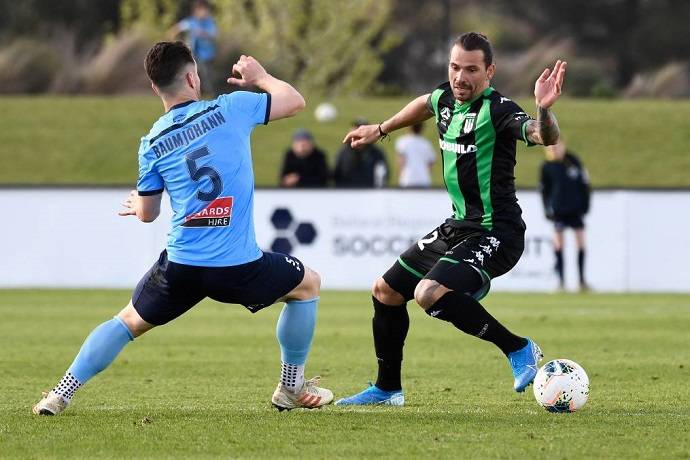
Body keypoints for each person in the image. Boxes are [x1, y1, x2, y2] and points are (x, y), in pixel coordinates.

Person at [32, 41, 333, 416]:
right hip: (236, 267)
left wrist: (137, 204)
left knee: (126, 322)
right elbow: (294, 101)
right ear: (192, 77)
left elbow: (148, 214)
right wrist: (261, 77)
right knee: (308, 285)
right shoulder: (231, 108)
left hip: (182, 267)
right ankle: (290, 386)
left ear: (155, 87)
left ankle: (60, 393)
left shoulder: (152, 143)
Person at [335, 32, 567, 406]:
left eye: (471, 69)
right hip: (458, 226)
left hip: (498, 231)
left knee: (428, 293)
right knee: (386, 291)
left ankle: (518, 348)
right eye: (455, 67)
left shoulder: (500, 110)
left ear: (489, 71)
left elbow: (543, 135)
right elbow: (425, 104)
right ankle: (388, 389)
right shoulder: (445, 98)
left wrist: (543, 107)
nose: (461, 77)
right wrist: (380, 129)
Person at [540, 139, 591, 291]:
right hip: (558, 211)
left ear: (563, 146)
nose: (554, 150)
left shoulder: (573, 161)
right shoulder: (547, 166)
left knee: (581, 244)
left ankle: (582, 281)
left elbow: (584, 185)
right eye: (551, 148)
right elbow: (544, 191)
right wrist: (547, 210)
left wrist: (585, 205)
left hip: (575, 209)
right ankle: (561, 282)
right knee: (559, 244)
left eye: (556, 146)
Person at [170, 0, 217, 95]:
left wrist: (202, 33)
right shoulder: (191, 22)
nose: (204, 12)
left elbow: (213, 35)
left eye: (205, 10)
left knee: (206, 75)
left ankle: (211, 94)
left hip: (206, 54)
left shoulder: (209, 22)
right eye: (202, 10)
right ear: (196, 11)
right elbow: (178, 28)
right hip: (194, 53)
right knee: (193, 73)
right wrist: (173, 39)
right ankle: (196, 92)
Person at [333, 118, 389, 188]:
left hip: (369, 192)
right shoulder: (344, 152)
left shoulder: (376, 153)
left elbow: (383, 175)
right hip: (347, 192)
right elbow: (336, 175)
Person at [395, 123, 436, 187]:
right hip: (423, 180)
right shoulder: (426, 144)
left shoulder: (402, 142)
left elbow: (401, 161)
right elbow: (430, 164)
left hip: (407, 179)